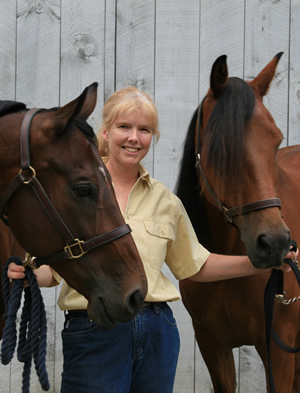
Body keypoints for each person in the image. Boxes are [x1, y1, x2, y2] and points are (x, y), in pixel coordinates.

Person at [7, 86, 298, 393]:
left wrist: (263, 264)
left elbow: (197, 265)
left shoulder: (165, 201)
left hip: (158, 330)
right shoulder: (76, 193)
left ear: (152, 138)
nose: (134, 137)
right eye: (124, 127)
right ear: (105, 132)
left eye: (144, 130)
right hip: (95, 328)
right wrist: (28, 276)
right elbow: (54, 269)